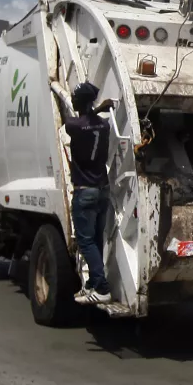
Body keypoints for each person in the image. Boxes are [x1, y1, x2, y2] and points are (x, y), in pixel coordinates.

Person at [64, 81, 115, 305]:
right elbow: (92, 119)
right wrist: (97, 109)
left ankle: (102, 288)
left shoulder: (74, 125)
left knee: (85, 242)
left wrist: (94, 108)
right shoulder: (104, 125)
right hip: (103, 191)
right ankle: (94, 283)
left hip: (84, 191)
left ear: (79, 102)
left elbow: (77, 121)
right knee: (96, 239)